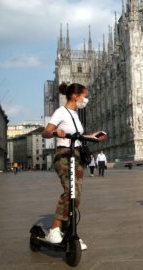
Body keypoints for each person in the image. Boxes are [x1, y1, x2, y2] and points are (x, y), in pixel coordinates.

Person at [41, 82, 106, 249]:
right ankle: (54, 230)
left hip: (76, 155)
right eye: (85, 96)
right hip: (64, 154)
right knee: (70, 191)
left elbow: (77, 135)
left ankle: (71, 234)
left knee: (76, 195)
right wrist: (56, 132)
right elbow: (46, 132)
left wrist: (91, 137)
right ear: (75, 96)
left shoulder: (75, 115)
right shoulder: (60, 112)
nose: (87, 99)